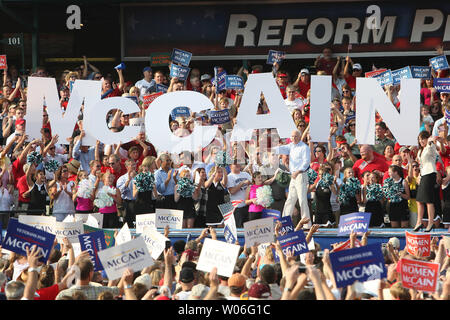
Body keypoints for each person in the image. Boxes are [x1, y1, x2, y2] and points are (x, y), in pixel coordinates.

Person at [274, 129, 312, 228]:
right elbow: (280, 149)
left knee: (302, 199)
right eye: (292, 136)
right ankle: (284, 222)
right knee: (290, 199)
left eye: (295, 136)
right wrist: (275, 146)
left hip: (300, 175)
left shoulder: (304, 147)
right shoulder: (290, 146)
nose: (293, 138)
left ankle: (307, 224)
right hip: (293, 176)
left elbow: (306, 162)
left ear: (299, 137)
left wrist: (298, 171)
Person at [414, 131, 438, 232]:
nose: (421, 141)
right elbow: (421, 165)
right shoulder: (420, 151)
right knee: (419, 200)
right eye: (419, 139)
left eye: (422, 138)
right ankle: (419, 222)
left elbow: (432, 143)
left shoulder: (430, 146)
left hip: (430, 173)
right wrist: (419, 175)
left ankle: (431, 222)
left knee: (428, 200)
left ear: (427, 138)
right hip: (423, 175)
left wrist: (430, 141)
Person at [227, 163, 251, 228]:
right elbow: (232, 191)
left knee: (249, 229)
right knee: (238, 229)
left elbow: (254, 183)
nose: (237, 164)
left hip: (248, 206)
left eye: (238, 163)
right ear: (230, 166)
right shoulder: (229, 177)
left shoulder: (245, 174)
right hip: (237, 208)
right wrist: (242, 183)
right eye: (235, 163)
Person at [117, 159, 137, 227]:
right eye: (131, 165)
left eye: (134, 164)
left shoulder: (140, 176)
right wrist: (128, 181)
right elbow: (119, 192)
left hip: (138, 203)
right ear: (126, 166)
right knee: (127, 225)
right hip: (127, 204)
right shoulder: (122, 178)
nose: (134, 166)